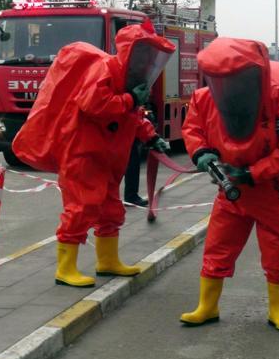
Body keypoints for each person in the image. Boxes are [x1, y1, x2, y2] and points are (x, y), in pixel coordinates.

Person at [12, 22, 174, 287]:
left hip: (108, 157)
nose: (147, 61)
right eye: (143, 53)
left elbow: (131, 117)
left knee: (110, 209)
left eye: (150, 55)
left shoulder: (131, 79)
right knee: (82, 207)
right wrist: (131, 101)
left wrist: (151, 136)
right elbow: (93, 104)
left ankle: (107, 261)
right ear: (130, 51)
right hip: (83, 152)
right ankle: (65, 269)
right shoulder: (106, 70)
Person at [180, 37, 279, 334]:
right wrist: (202, 153)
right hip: (232, 190)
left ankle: (277, 312)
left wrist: (255, 172)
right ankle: (207, 306)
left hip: (274, 191)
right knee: (218, 246)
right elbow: (192, 129)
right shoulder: (205, 99)